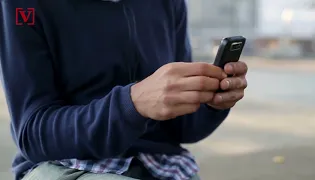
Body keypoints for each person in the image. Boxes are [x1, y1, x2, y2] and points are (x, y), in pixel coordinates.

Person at [0, 0, 248, 180]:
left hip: (161, 164)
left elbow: (181, 129)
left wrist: (212, 102)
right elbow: (33, 134)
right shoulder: (25, 7)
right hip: (65, 165)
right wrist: (133, 104)